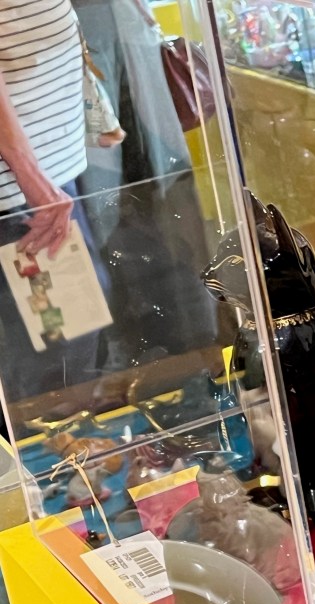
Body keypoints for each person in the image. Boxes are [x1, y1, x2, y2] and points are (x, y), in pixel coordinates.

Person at [74, 0, 221, 371]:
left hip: (115, 52)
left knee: (153, 211)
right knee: (124, 213)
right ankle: (161, 349)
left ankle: (184, 350)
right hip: (93, 55)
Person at [0, 0, 111, 404]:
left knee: (69, 331)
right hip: (21, 192)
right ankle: (59, 458)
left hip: (43, 177)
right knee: (61, 338)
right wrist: (35, 183)